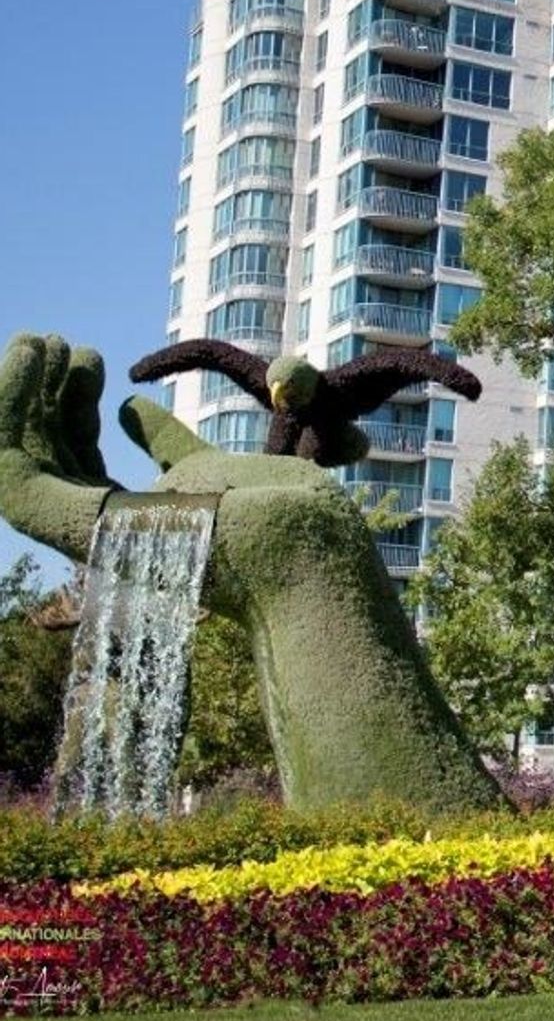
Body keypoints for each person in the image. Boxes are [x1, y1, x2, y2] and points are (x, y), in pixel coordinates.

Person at [0, 333, 503, 812]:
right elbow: (211, 357)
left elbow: (406, 367)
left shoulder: (302, 503)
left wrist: (32, 494)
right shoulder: (299, 496)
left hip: (320, 463)